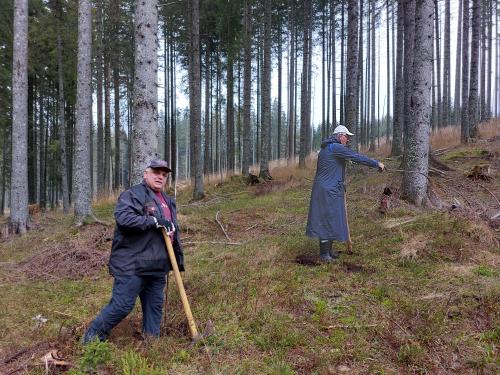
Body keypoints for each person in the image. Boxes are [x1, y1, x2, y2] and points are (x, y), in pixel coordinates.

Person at [83, 159, 184, 343]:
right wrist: (153, 221)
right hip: (133, 265)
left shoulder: (168, 201)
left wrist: (175, 257)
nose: (160, 177)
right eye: (156, 172)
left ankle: (152, 346)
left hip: (158, 265)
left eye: (164, 175)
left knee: (154, 308)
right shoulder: (133, 195)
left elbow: (171, 231)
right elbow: (124, 219)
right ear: (145, 174)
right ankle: (90, 340)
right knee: (121, 306)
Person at [306, 125, 385, 262]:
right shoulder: (335, 147)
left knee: (331, 218)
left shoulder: (327, 148)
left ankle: (329, 251)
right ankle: (324, 255)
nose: (347, 140)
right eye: (346, 137)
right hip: (327, 190)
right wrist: (376, 163)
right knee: (326, 219)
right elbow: (356, 156)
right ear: (340, 136)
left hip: (329, 189)